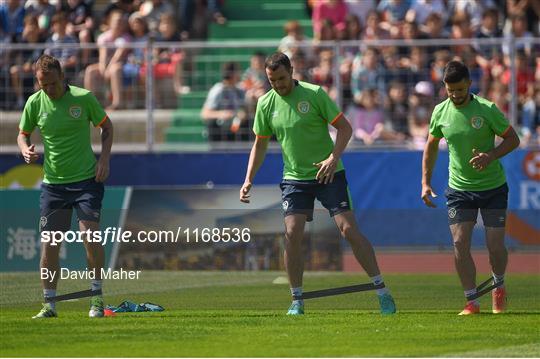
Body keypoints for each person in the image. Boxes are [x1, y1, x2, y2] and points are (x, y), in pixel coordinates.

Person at [239, 52, 396, 316]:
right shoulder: (265, 103)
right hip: (294, 178)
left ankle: (382, 292)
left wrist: (333, 158)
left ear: (292, 70)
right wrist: (248, 180)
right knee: (292, 233)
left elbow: (345, 129)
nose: (277, 84)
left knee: (348, 230)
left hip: (329, 173)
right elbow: (260, 144)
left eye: (280, 78)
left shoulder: (314, 94)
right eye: (271, 80)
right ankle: (297, 300)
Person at [17, 54, 114, 319]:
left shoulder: (83, 98)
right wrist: (25, 149)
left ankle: (96, 298)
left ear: (62, 77)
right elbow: (22, 133)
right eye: (42, 84)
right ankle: (49, 304)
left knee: (90, 235)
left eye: (51, 83)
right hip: (53, 185)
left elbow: (107, 127)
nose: (47, 89)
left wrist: (104, 159)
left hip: (86, 181)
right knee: (50, 244)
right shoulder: (34, 103)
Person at [421, 60, 520, 315]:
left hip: (493, 187)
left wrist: (491, 155)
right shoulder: (440, 112)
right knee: (459, 242)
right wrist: (425, 182)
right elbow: (431, 146)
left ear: (469, 85)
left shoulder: (487, 109)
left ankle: (498, 285)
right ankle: (471, 301)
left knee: (495, 246)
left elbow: (513, 139)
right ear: (445, 86)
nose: (455, 95)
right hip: (459, 189)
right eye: (450, 90)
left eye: (460, 90)